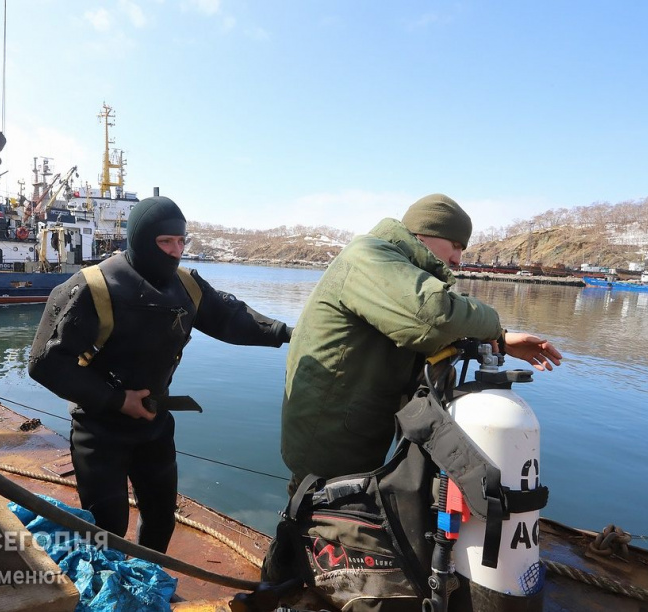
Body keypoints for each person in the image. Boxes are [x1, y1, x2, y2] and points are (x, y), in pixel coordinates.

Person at [28, 195, 292, 553]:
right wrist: (118, 400)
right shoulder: (92, 287)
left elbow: (231, 318)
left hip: (153, 424)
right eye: (165, 241)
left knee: (161, 517)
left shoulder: (187, 287)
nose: (175, 251)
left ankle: (149, 584)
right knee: (107, 524)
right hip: (99, 428)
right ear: (139, 239)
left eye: (181, 241)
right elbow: (44, 363)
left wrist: (286, 333)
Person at [280, 193, 563, 488]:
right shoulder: (368, 255)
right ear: (425, 233)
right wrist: (492, 324)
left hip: (350, 442)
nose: (457, 259)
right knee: (326, 522)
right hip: (329, 450)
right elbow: (435, 316)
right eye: (455, 245)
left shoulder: (392, 267)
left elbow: (430, 315)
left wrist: (500, 341)